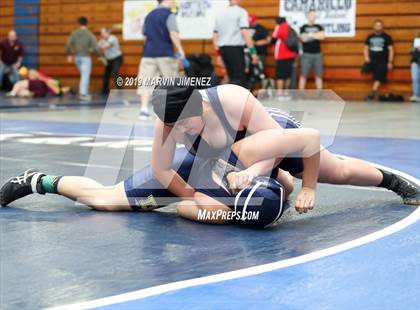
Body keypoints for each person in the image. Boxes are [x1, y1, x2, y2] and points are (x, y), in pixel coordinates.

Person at [149, 83, 418, 215]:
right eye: (174, 125)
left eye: (184, 123)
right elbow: (160, 169)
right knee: (268, 185)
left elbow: (278, 146)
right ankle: (280, 181)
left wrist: (307, 187)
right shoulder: (171, 123)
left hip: (272, 136)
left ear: (201, 107)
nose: (180, 131)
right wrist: (190, 196)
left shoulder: (234, 99)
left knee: (340, 172)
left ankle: (394, 182)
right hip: (237, 159)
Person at [0, 146, 291, 228]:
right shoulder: (272, 179)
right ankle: (38, 179)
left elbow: (185, 208)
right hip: (176, 172)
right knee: (105, 200)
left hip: (189, 170)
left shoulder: (267, 178)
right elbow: (184, 208)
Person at [137, 0, 185, 120]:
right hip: (165, 54)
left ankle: (143, 110)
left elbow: (145, 36)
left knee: (146, 82)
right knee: (172, 82)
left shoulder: (149, 15)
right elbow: (173, 33)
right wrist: (180, 49)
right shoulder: (169, 15)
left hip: (148, 54)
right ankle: (174, 111)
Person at [213, 0, 258, 88]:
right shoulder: (241, 12)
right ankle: (236, 101)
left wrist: (218, 55)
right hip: (235, 49)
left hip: (223, 49)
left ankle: (227, 101)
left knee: (231, 77)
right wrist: (253, 52)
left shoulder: (220, 13)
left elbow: (214, 36)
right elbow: (245, 32)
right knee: (239, 79)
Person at [65, 16, 99, 101]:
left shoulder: (74, 33)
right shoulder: (89, 34)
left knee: (83, 75)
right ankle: (83, 94)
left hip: (77, 58)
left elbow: (68, 44)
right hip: (86, 58)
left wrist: (69, 55)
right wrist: (98, 55)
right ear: (87, 23)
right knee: (85, 75)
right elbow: (95, 47)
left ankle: (85, 91)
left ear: (78, 23)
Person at [364, 20, 394, 101]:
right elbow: (366, 48)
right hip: (371, 61)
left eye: (380, 25)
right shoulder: (370, 37)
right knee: (366, 73)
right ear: (374, 26)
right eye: (376, 25)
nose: (378, 27)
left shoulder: (387, 37)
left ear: (382, 27)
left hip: (382, 61)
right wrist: (366, 57)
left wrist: (390, 61)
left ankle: (372, 93)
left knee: (378, 76)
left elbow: (391, 50)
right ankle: (374, 93)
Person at [299, 9, 325, 90]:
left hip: (318, 55)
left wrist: (309, 35)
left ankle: (320, 96)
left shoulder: (319, 26)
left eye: (314, 15)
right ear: (307, 16)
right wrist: (316, 35)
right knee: (303, 75)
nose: (313, 17)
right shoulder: (303, 27)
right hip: (306, 55)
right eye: (311, 15)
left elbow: (322, 36)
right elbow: (303, 39)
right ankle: (301, 95)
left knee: (319, 75)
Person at [272, 17, 298, 98]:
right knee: (288, 75)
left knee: (280, 75)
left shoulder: (281, 26)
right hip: (291, 55)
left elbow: (274, 38)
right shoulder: (290, 28)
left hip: (282, 56)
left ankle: (280, 93)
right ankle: (287, 93)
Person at [98, 27, 123, 95]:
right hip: (109, 60)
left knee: (115, 73)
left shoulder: (112, 38)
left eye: (103, 32)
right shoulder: (102, 40)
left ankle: (120, 89)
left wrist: (100, 48)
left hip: (117, 58)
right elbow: (97, 47)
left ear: (107, 32)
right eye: (101, 33)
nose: (101, 34)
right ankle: (105, 90)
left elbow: (106, 45)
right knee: (106, 75)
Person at [409, 34, 420, 103]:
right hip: (415, 61)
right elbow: (410, 50)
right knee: (415, 78)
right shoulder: (416, 40)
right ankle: (416, 95)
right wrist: (415, 48)